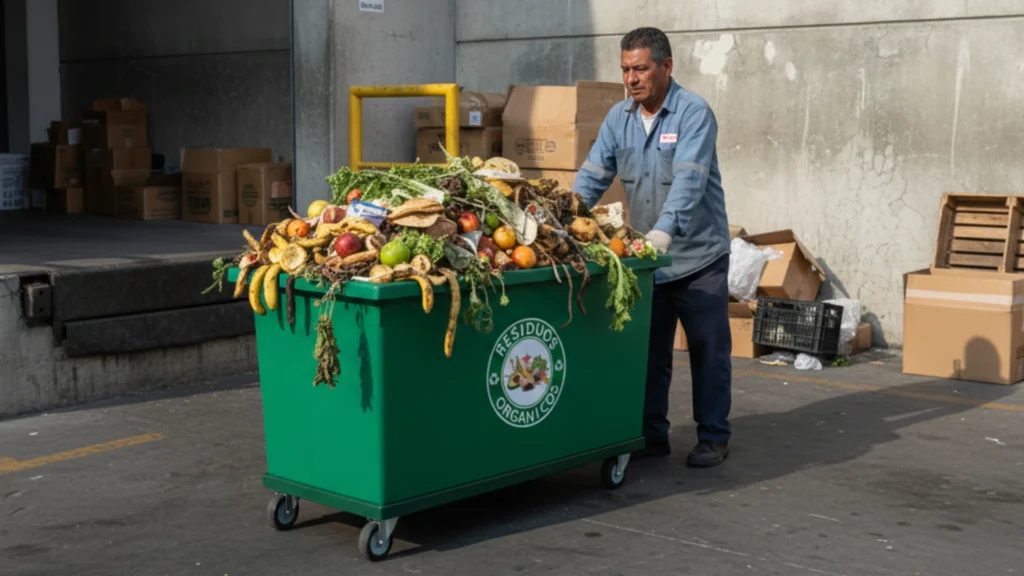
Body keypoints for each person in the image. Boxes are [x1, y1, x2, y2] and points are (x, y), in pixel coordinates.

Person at [572, 27, 732, 468]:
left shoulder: (693, 113)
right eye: (625, 69)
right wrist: (560, 213)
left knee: (707, 349)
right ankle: (651, 434)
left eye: (640, 68)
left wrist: (663, 233)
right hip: (647, 260)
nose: (631, 79)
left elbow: (690, 181)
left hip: (699, 256)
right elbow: (592, 176)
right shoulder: (618, 119)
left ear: (666, 66)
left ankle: (714, 434)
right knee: (648, 352)